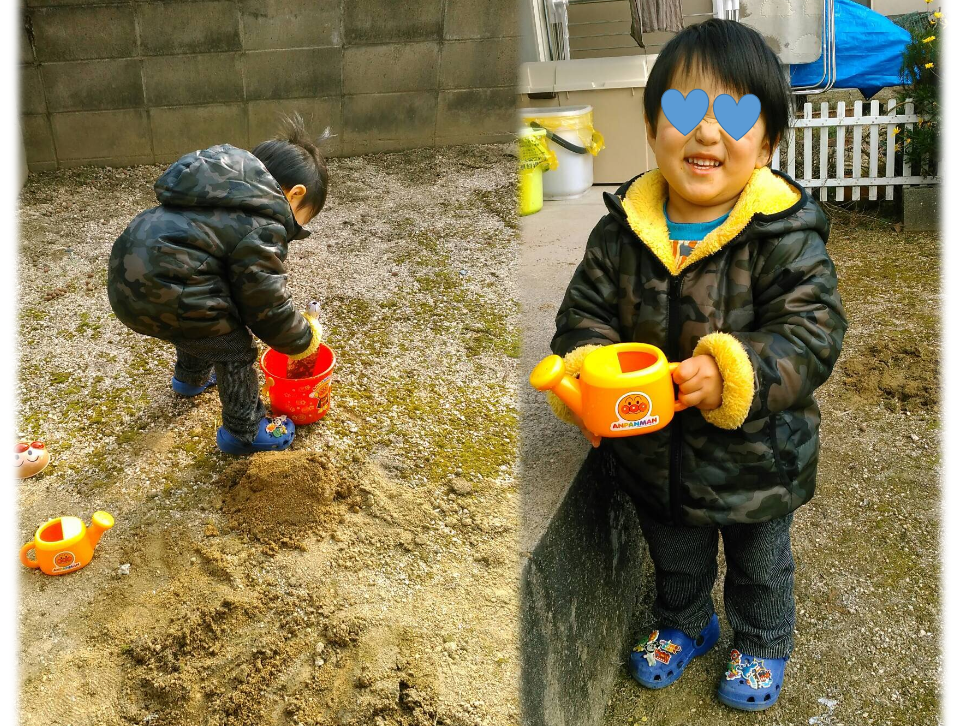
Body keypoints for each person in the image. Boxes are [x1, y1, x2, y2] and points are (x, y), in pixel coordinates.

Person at [547, 20, 847, 711]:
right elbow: (583, 316)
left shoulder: (782, 233)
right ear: (653, 128)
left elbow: (813, 331)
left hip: (757, 462)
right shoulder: (623, 229)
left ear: (768, 142)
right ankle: (686, 622)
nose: (707, 134)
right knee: (674, 554)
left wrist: (733, 370)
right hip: (655, 455)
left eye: (735, 115)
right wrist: (585, 372)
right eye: (685, 112)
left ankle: (762, 640)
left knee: (759, 564)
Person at [107, 115, 328, 455]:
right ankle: (245, 431)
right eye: (300, 222)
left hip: (128, 289)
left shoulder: (211, 190)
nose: (293, 232)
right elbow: (264, 302)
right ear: (294, 194)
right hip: (170, 294)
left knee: (199, 313)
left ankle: (190, 380)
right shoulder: (261, 222)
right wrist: (301, 339)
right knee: (232, 347)